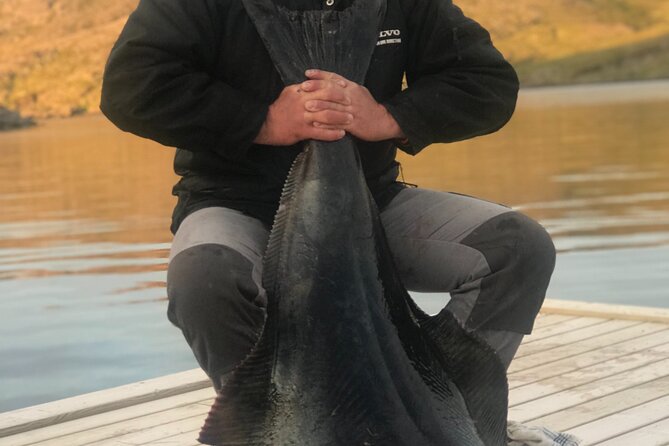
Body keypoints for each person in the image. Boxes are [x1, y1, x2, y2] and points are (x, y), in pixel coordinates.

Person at [100, 0, 556, 392]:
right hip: (235, 202)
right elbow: (129, 86)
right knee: (204, 280)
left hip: (366, 204)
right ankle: (273, 429)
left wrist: (388, 117)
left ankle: (440, 413)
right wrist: (260, 121)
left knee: (518, 249)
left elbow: (488, 84)